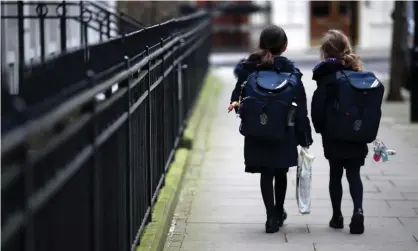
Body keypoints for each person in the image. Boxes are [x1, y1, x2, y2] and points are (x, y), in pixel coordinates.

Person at [228, 25, 313, 233]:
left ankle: (269, 218)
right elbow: (301, 107)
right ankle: (279, 210)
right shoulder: (291, 71)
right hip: (284, 131)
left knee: (266, 173)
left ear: (260, 45)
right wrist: (305, 135)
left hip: (258, 130)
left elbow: (236, 98)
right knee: (281, 171)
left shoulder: (249, 69)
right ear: (284, 47)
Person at [311, 30, 374, 234]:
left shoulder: (326, 77)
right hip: (356, 134)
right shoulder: (358, 74)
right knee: (354, 174)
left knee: (335, 174)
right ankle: (359, 211)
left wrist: (319, 128)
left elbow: (318, 107)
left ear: (324, 52)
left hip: (334, 134)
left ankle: (337, 216)